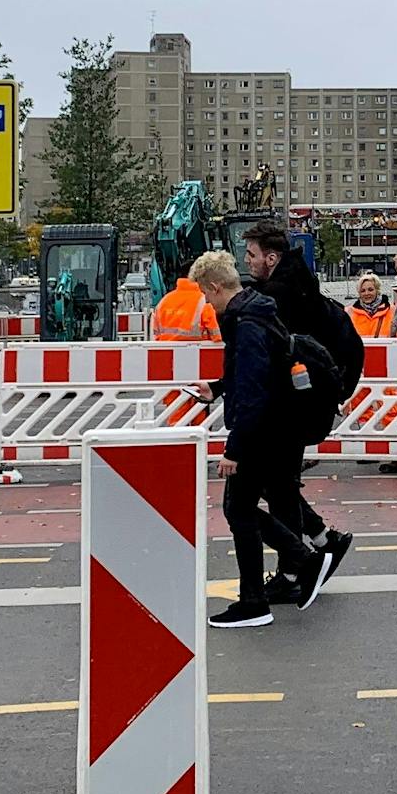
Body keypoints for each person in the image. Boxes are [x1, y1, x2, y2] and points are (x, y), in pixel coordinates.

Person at [190, 252, 342, 629]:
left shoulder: (245, 324)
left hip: (263, 431)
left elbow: (253, 390)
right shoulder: (257, 312)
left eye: (205, 294)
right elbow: (260, 373)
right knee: (242, 508)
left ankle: (274, 586)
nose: (206, 303)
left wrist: (234, 449)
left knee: (238, 509)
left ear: (215, 287)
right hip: (276, 427)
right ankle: (271, 586)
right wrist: (218, 388)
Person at [241, 221, 355, 590]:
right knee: (278, 484)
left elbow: (270, 354)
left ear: (271, 258)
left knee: (276, 486)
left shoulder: (279, 296)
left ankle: (293, 573)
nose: (247, 261)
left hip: (292, 403)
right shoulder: (298, 286)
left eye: (252, 254)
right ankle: (322, 539)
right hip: (306, 400)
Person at [151, 267, 222, 342]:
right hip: (196, 347)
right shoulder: (204, 300)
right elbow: (215, 335)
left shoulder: (164, 301)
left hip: (166, 347)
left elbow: (156, 333)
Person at [348, 271, 393, 338]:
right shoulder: (349, 312)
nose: (366, 293)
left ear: (377, 290)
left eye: (370, 290)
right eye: (363, 291)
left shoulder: (392, 311)